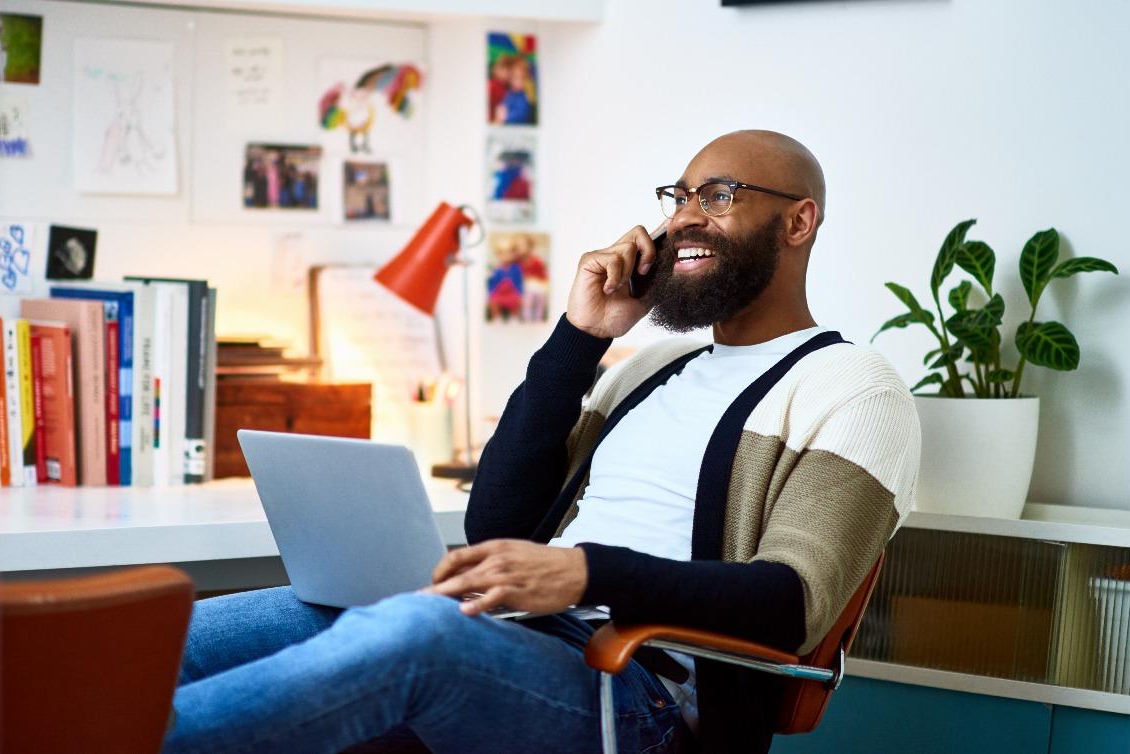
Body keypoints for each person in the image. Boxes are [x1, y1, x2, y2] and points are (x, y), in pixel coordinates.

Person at [162, 130, 920, 754]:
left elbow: (791, 603)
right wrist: (580, 338)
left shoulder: (853, 388)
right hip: (512, 636)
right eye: (679, 198)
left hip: (635, 692)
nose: (687, 216)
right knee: (180, 633)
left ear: (798, 222)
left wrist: (585, 575)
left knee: (414, 631)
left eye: (719, 196)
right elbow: (498, 522)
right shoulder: (651, 368)